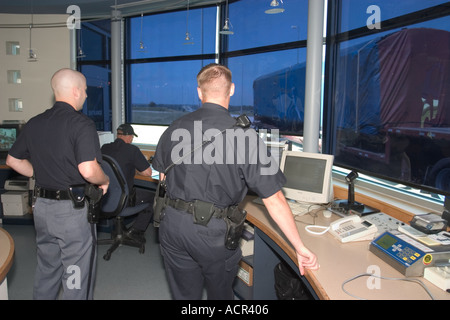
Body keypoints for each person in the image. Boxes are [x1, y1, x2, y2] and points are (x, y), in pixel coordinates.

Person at [152, 63, 319, 300]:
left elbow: (164, 179)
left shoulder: (174, 127)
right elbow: (275, 200)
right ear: (231, 90)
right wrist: (299, 248)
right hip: (212, 233)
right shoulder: (244, 136)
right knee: (220, 295)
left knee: (184, 295)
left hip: (173, 225)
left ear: (199, 92)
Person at [6, 68, 110, 300]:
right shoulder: (81, 123)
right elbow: (87, 169)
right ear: (75, 91)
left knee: (47, 268)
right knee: (75, 273)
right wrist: (104, 180)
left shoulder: (34, 123)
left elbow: (12, 160)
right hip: (71, 212)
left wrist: (37, 171)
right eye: (84, 90)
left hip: (41, 208)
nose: (85, 95)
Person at [101, 123, 154, 243]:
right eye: (132, 137)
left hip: (105, 198)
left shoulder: (104, 147)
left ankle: (122, 230)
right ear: (128, 136)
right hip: (124, 200)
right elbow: (148, 173)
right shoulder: (132, 149)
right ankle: (135, 231)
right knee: (153, 198)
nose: (131, 139)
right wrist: (136, 169)